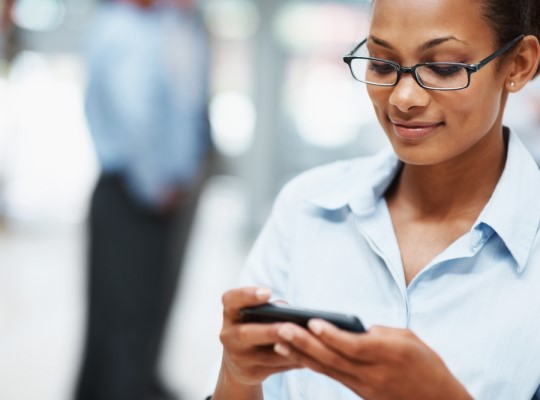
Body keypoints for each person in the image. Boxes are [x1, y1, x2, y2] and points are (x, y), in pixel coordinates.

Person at [210, 0, 540, 399]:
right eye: (382, 64)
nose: (403, 98)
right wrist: (237, 375)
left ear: (519, 65)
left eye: (444, 67)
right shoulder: (306, 208)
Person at [74, 0, 211, 399]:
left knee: (128, 316)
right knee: (129, 320)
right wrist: (157, 184)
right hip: (136, 195)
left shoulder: (162, 25)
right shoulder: (125, 29)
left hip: (145, 192)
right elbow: (134, 116)